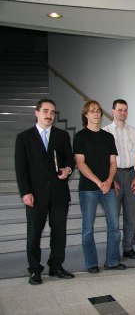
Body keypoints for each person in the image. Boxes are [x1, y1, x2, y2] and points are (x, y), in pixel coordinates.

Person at [15, 98, 75, 285]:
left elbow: (70, 160)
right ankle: (34, 270)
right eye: (46, 111)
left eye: (52, 112)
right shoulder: (24, 138)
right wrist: (25, 192)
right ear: (37, 113)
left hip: (59, 193)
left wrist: (68, 170)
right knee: (34, 234)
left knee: (59, 232)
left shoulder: (61, 135)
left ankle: (56, 266)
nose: (49, 115)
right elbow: (21, 168)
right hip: (36, 194)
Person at [74, 100, 126, 273]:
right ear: (86, 115)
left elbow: (113, 162)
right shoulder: (80, 136)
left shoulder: (108, 137)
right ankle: (91, 263)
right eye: (92, 111)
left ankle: (112, 261)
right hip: (88, 188)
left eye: (98, 111)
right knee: (88, 228)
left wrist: (110, 181)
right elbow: (80, 164)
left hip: (108, 188)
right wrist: (98, 182)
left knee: (114, 227)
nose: (96, 114)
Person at [103, 99, 135, 260]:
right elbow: (103, 159)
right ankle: (113, 250)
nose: (123, 113)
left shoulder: (133, 131)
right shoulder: (105, 131)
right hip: (113, 177)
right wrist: (110, 179)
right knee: (113, 217)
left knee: (131, 215)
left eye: (125, 110)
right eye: (120, 110)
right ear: (113, 111)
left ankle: (128, 247)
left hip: (130, 175)